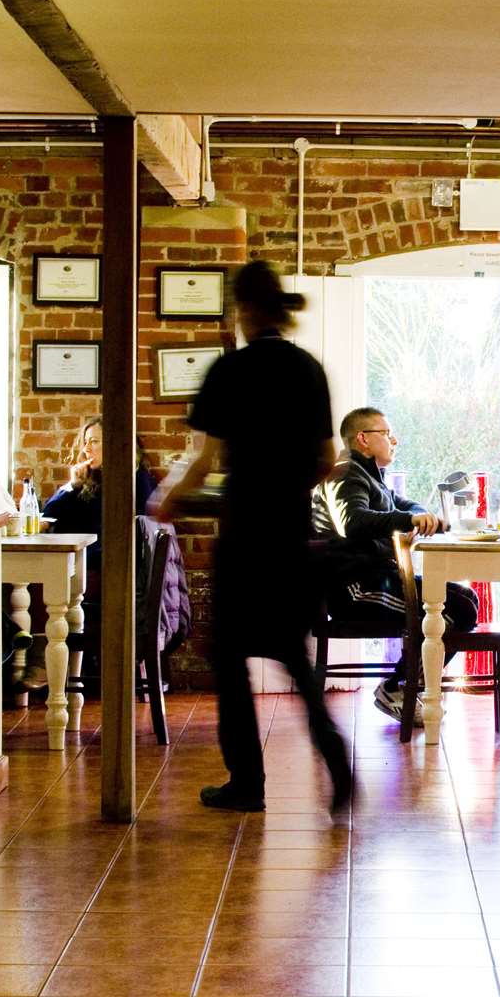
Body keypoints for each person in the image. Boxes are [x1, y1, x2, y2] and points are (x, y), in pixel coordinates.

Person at [157, 260, 352, 814]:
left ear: (243, 310)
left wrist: (166, 499)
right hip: (290, 535)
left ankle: (247, 782)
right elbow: (326, 459)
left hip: (243, 537)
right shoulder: (308, 370)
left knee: (229, 658)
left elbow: (202, 459)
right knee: (292, 654)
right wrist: (286, 483)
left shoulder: (230, 371)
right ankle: (336, 759)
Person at [312, 407, 480, 724]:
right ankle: (398, 688)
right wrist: (410, 519)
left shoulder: (368, 476)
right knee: (450, 611)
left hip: (378, 579)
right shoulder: (345, 474)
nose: (395, 440)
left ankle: (401, 685)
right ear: (363, 438)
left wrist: (421, 515)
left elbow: (404, 504)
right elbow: (352, 521)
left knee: (466, 601)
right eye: (386, 434)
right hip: (356, 589)